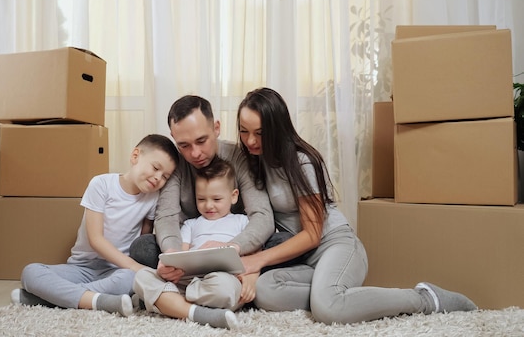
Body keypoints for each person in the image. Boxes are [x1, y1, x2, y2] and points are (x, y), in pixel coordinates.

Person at [236, 87, 478, 324]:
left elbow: (312, 235)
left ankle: (424, 298)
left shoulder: (302, 162)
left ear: (277, 129)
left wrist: (259, 260)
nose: (250, 141)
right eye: (243, 131)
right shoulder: (254, 162)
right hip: (302, 259)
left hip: (335, 244)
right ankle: (333, 292)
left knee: (328, 310)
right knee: (266, 291)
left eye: (260, 133)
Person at [10, 134, 179, 316]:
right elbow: (95, 239)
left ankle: (53, 298)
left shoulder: (152, 199)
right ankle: (96, 300)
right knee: (31, 272)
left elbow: (139, 242)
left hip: (116, 271)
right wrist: (133, 266)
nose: (158, 178)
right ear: (135, 156)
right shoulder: (101, 184)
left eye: (165, 177)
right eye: (155, 168)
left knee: (130, 279)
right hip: (82, 267)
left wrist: (135, 269)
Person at [129, 95, 275, 286]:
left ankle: (240, 279)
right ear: (174, 138)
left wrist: (230, 247)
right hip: (189, 248)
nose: (195, 153)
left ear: (216, 128)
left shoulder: (239, 155)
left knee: (280, 242)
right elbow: (166, 216)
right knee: (142, 248)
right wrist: (173, 256)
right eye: (184, 145)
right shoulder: (175, 163)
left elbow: (262, 215)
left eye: (201, 141)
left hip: (238, 247)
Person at [133, 157, 252, 329]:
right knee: (141, 277)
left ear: (233, 196)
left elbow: (253, 254)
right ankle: (199, 312)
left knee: (224, 289)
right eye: (201, 199)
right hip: (189, 279)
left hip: (223, 279)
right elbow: (182, 254)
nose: (209, 205)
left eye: (217, 199)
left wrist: (251, 279)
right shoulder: (191, 224)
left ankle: (169, 302)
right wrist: (171, 269)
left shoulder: (242, 222)